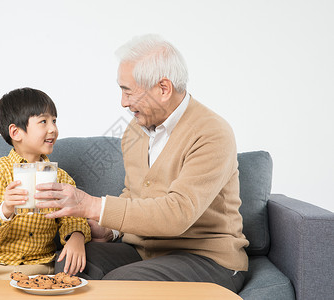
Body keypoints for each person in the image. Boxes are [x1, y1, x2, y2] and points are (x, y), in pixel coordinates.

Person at [35, 34, 249, 293]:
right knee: (70, 263)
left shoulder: (212, 133)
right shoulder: (135, 131)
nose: (123, 102)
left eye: (128, 90)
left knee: (122, 284)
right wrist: (109, 229)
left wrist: (91, 206)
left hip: (207, 259)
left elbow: (177, 214)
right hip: (144, 252)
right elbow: (135, 194)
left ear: (163, 89)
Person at [0, 87, 91, 280]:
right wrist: (5, 209)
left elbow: (73, 217)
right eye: (43, 121)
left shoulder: (60, 178)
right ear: (16, 132)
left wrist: (76, 237)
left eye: (54, 121)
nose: (53, 129)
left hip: (38, 268)